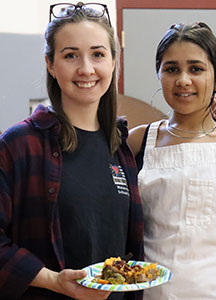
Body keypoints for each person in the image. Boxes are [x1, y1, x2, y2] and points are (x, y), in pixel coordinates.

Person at [0, 3, 143, 300]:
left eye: (98, 54)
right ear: (50, 64)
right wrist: (52, 280)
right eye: (70, 55)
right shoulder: (19, 145)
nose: (86, 69)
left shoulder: (120, 149)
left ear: (114, 61)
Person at [128, 22, 216, 300]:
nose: (183, 80)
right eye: (171, 69)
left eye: (196, 69)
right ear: (159, 74)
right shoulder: (137, 141)